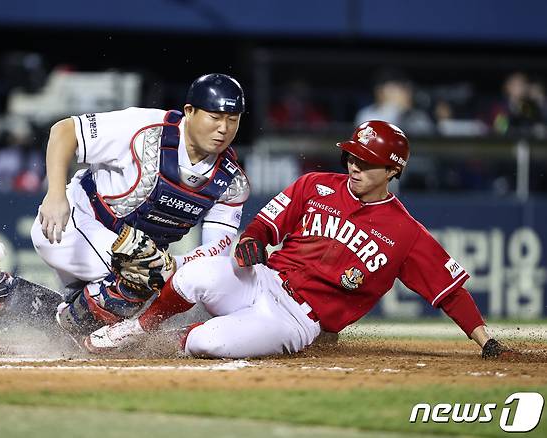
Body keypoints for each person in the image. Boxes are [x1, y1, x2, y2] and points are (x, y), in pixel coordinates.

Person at [86, 120, 511, 360]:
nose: (354, 166)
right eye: (351, 157)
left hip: (296, 321)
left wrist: (485, 339)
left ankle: (173, 344)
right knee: (196, 273)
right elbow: (264, 226)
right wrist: (252, 239)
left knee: (207, 342)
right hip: (263, 280)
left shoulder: (406, 233)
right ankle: (136, 328)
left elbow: (449, 290)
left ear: (393, 170)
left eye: (367, 162)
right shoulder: (315, 184)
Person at [0, 73, 250, 337]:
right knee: (144, 273)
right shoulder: (146, 129)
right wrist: (54, 194)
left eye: (232, 119)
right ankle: (77, 316)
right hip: (73, 225)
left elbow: (215, 253)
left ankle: (9, 294)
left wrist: (173, 267)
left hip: (128, 255)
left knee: (112, 321)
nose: (223, 128)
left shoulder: (231, 181)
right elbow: (64, 131)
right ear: (190, 111)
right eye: (215, 116)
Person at [355, 69, 434, 136]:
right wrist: (395, 110)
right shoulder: (367, 115)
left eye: (404, 89)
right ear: (379, 91)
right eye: (393, 90)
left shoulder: (418, 116)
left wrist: (403, 112)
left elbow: (428, 141)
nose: (402, 94)